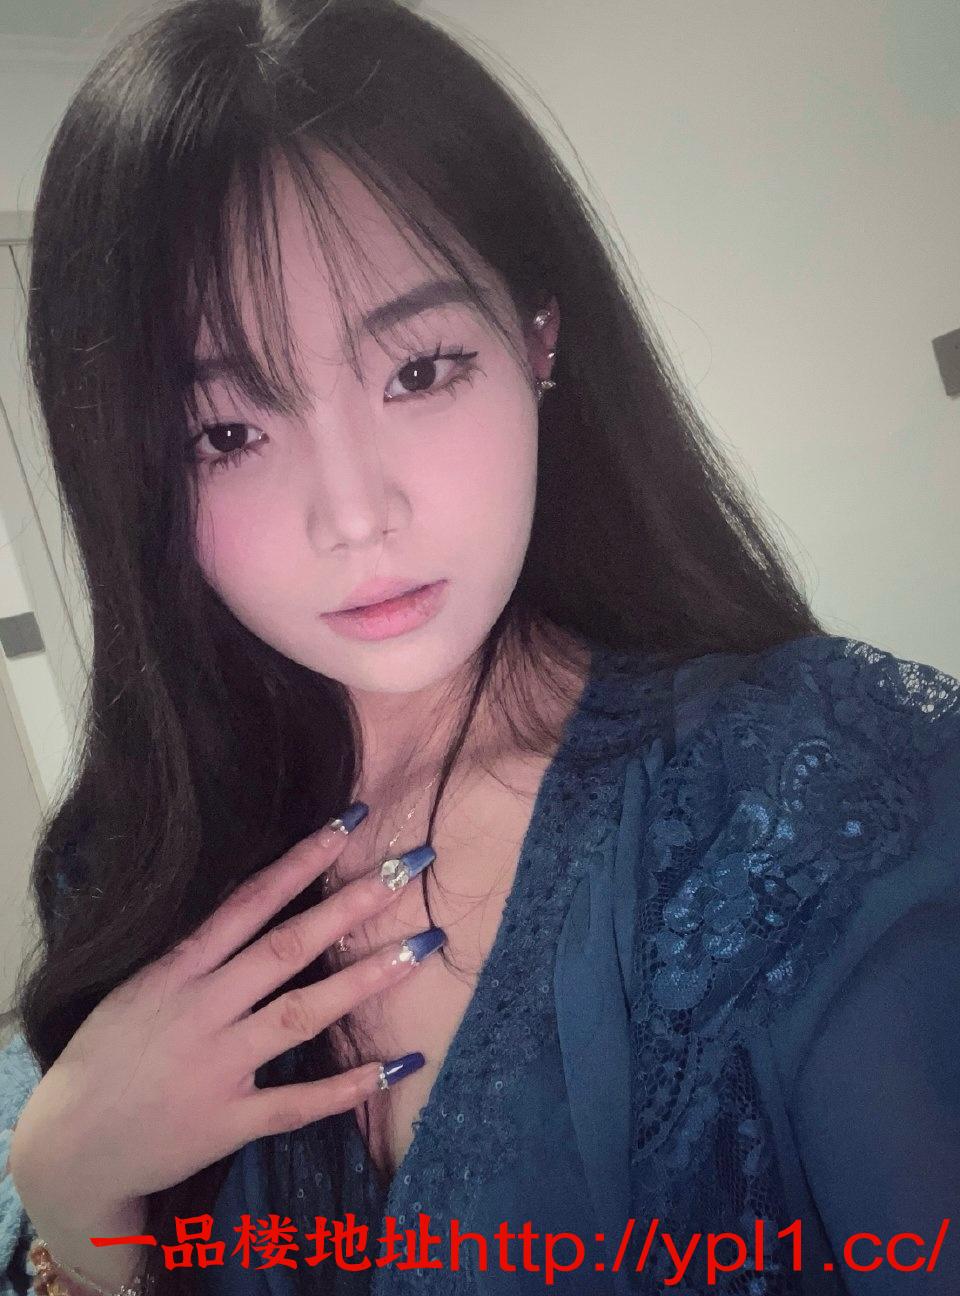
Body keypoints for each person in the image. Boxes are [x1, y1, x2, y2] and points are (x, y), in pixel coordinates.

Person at [2, 0, 959, 1293]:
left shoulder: (820, 805)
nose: (355, 516)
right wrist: (70, 1203)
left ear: (537, 335)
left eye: (418, 370)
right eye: (226, 433)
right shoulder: (139, 858)